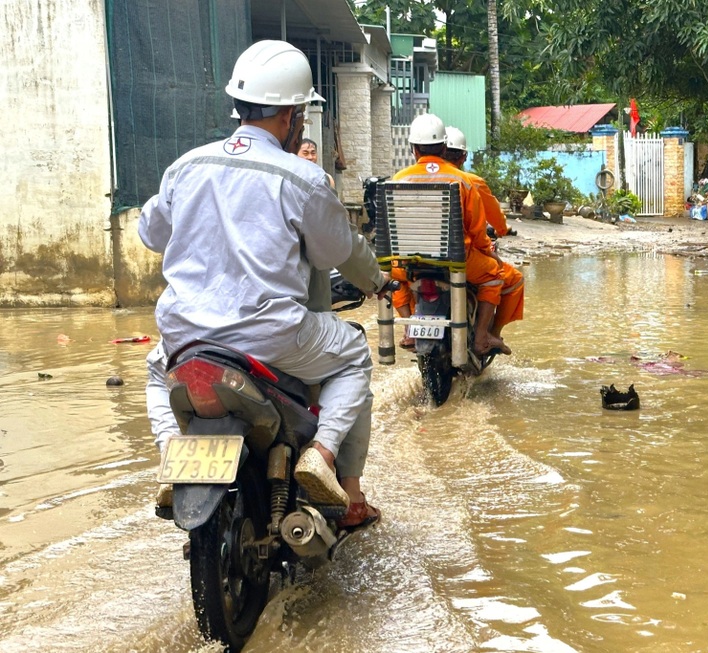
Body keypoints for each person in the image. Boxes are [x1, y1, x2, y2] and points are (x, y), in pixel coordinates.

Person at [140, 40, 385, 531]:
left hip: (186, 336)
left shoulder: (185, 167)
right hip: (271, 337)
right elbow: (335, 253)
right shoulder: (303, 179)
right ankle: (321, 455)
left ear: (239, 106)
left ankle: (173, 452)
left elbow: (151, 234)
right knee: (354, 354)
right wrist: (377, 281)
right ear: (292, 116)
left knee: (154, 372)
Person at [390, 113, 512, 356]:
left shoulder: (399, 178)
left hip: (410, 260)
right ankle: (482, 337)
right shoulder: (462, 180)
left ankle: (409, 329)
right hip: (456, 260)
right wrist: (488, 252)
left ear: (414, 149)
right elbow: (477, 228)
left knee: (390, 278)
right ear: (444, 147)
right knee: (495, 274)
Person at [443, 125, 523, 332]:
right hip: (461, 256)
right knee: (509, 277)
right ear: (463, 157)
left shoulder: (408, 178)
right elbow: (482, 226)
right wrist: (501, 231)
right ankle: (489, 334)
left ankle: (409, 330)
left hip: (415, 257)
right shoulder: (470, 182)